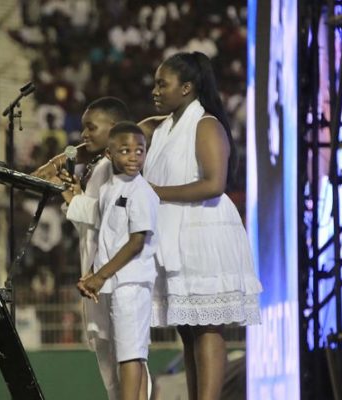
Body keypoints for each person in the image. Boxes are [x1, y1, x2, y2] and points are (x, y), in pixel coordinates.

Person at [139, 51, 262, 400]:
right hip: (176, 233)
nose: (155, 90)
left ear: (188, 88)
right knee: (188, 329)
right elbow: (131, 132)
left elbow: (213, 184)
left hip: (205, 231)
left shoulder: (206, 124)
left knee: (207, 326)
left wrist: (156, 192)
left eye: (163, 83)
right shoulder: (163, 128)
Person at [33, 97, 152, 399]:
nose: (83, 135)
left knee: (128, 357)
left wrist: (70, 194)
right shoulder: (102, 169)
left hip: (116, 277)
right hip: (98, 276)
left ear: (112, 130)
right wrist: (70, 194)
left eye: (91, 127)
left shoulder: (118, 170)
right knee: (110, 362)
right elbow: (96, 219)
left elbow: (117, 227)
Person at [75, 121, 159, 400]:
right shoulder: (110, 188)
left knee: (131, 354)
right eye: (125, 151)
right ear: (110, 154)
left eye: (139, 150)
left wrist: (100, 276)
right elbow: (107, 239)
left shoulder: (141, 191)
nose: (134, 157)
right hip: (117, 282)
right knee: (124, 351)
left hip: (133, 283)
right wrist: (91, 273)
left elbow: (136, 242)